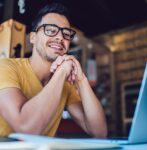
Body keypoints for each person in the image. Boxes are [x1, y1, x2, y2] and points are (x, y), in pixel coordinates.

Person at [0, 3, 107, 137]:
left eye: (66, 33)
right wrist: (61, 72)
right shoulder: (5, 67)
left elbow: (99, 132)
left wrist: (81, 80)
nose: (60, 37)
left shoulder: (66, 86)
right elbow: (26, 127)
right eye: (50, 30)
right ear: (33, 37)